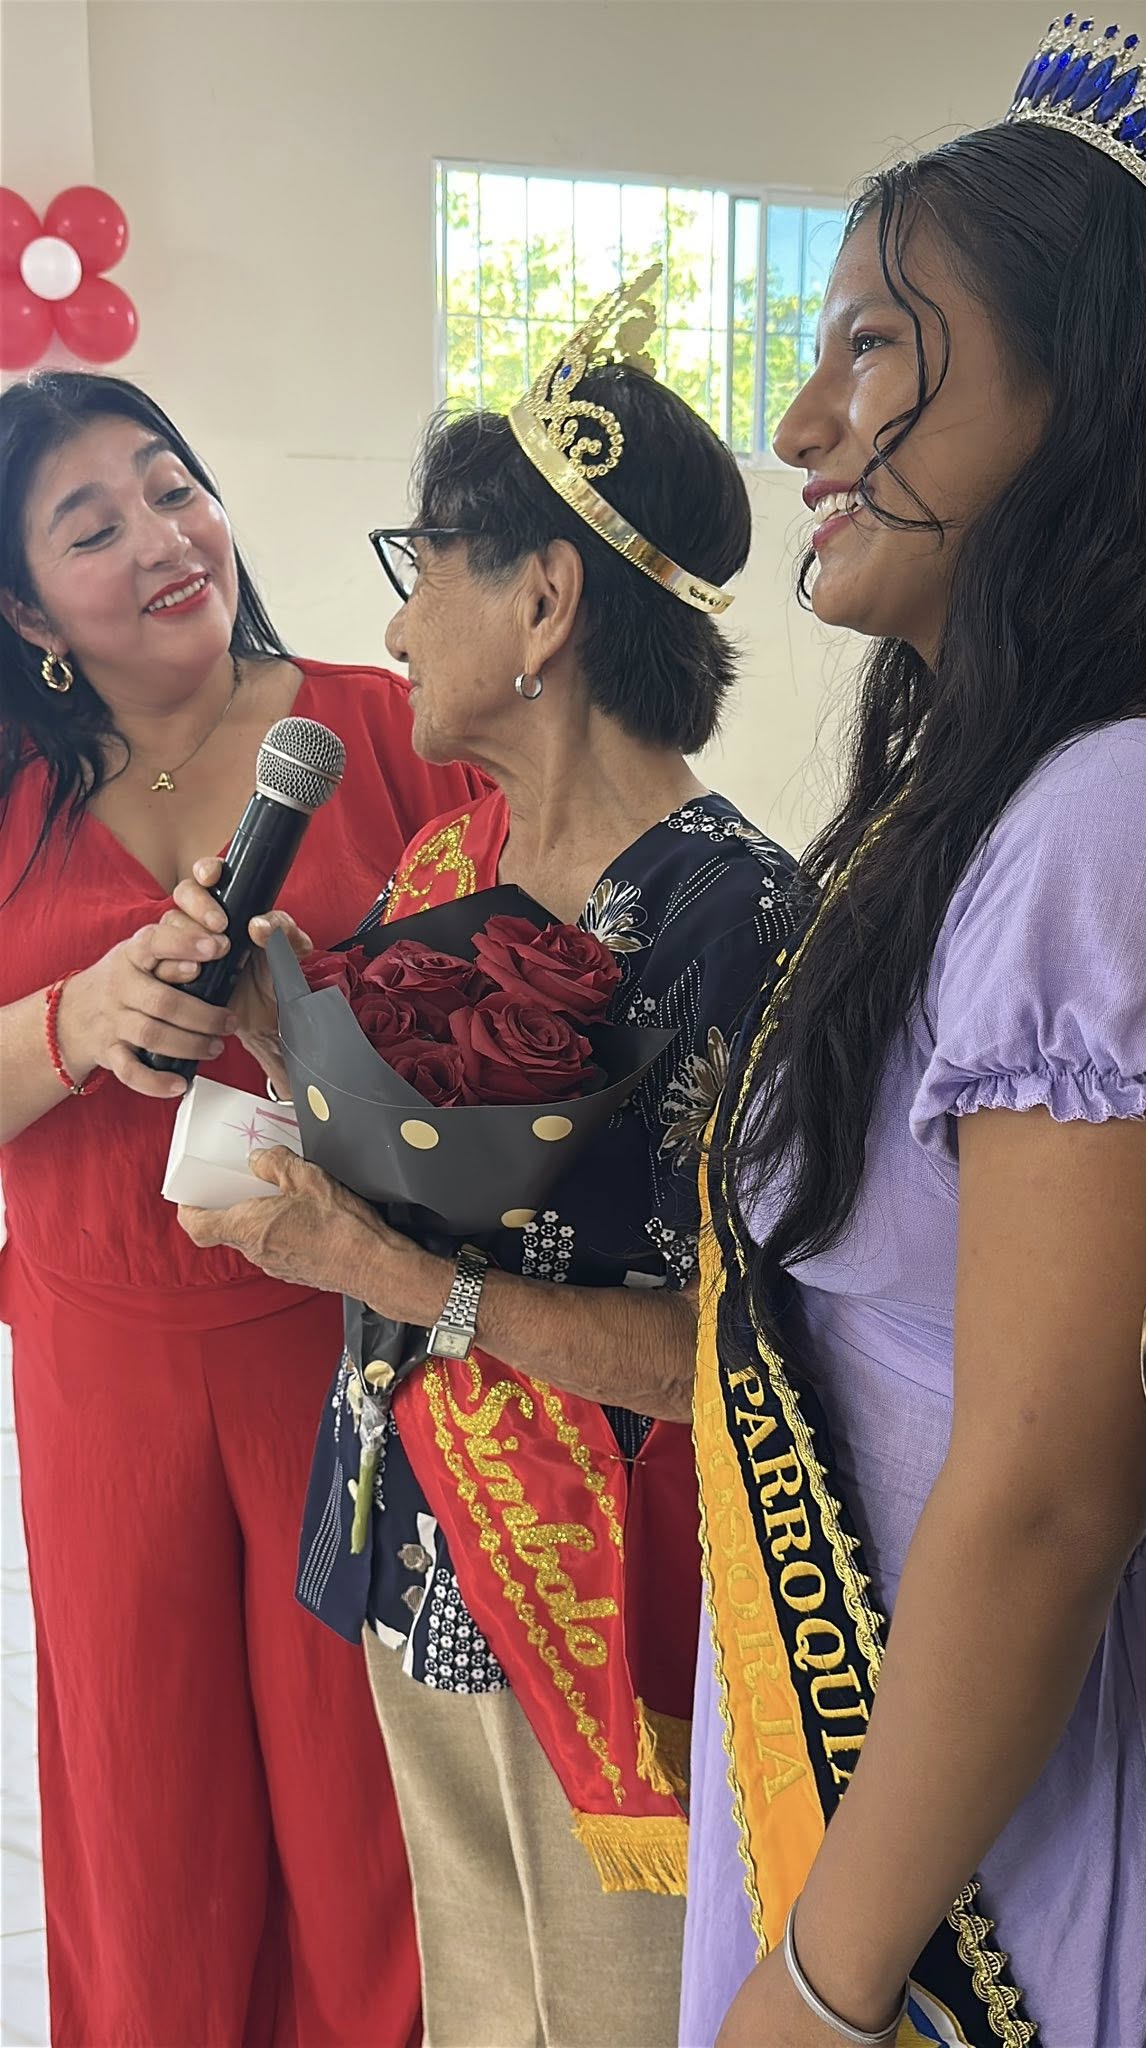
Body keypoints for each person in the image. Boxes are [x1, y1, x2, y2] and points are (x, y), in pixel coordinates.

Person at [173, 270, 800, 2048]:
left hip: (611, 1613)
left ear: (545, 598)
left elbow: (740, 1365)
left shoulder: (745, 925)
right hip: (411, 1541)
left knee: (609, 2016)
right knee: (476, 2008)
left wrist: (391, 1277)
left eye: (424, 561)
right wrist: (260, 1027)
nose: (394, 621)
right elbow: (397, 1144)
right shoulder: (450, 862)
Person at [684, 18, 1146, 2048]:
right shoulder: (966, 801)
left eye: (875, 346)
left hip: (973, 1867)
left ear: (1091, 389)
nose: (804, 425)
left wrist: (823, 1982)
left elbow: (1049, 1497)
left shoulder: (1101, 817)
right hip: (860, 1759)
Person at [0, 370, 485, 2048]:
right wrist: (73, 1023)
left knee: (370, 1809)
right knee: (149, 1815)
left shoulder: (388, 733)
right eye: (91, 527)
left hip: (346, 1339)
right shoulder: (10, 798)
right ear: (24, 611)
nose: (162, 539)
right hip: (100, 1371)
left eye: (172, 485)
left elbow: (531, 1011)